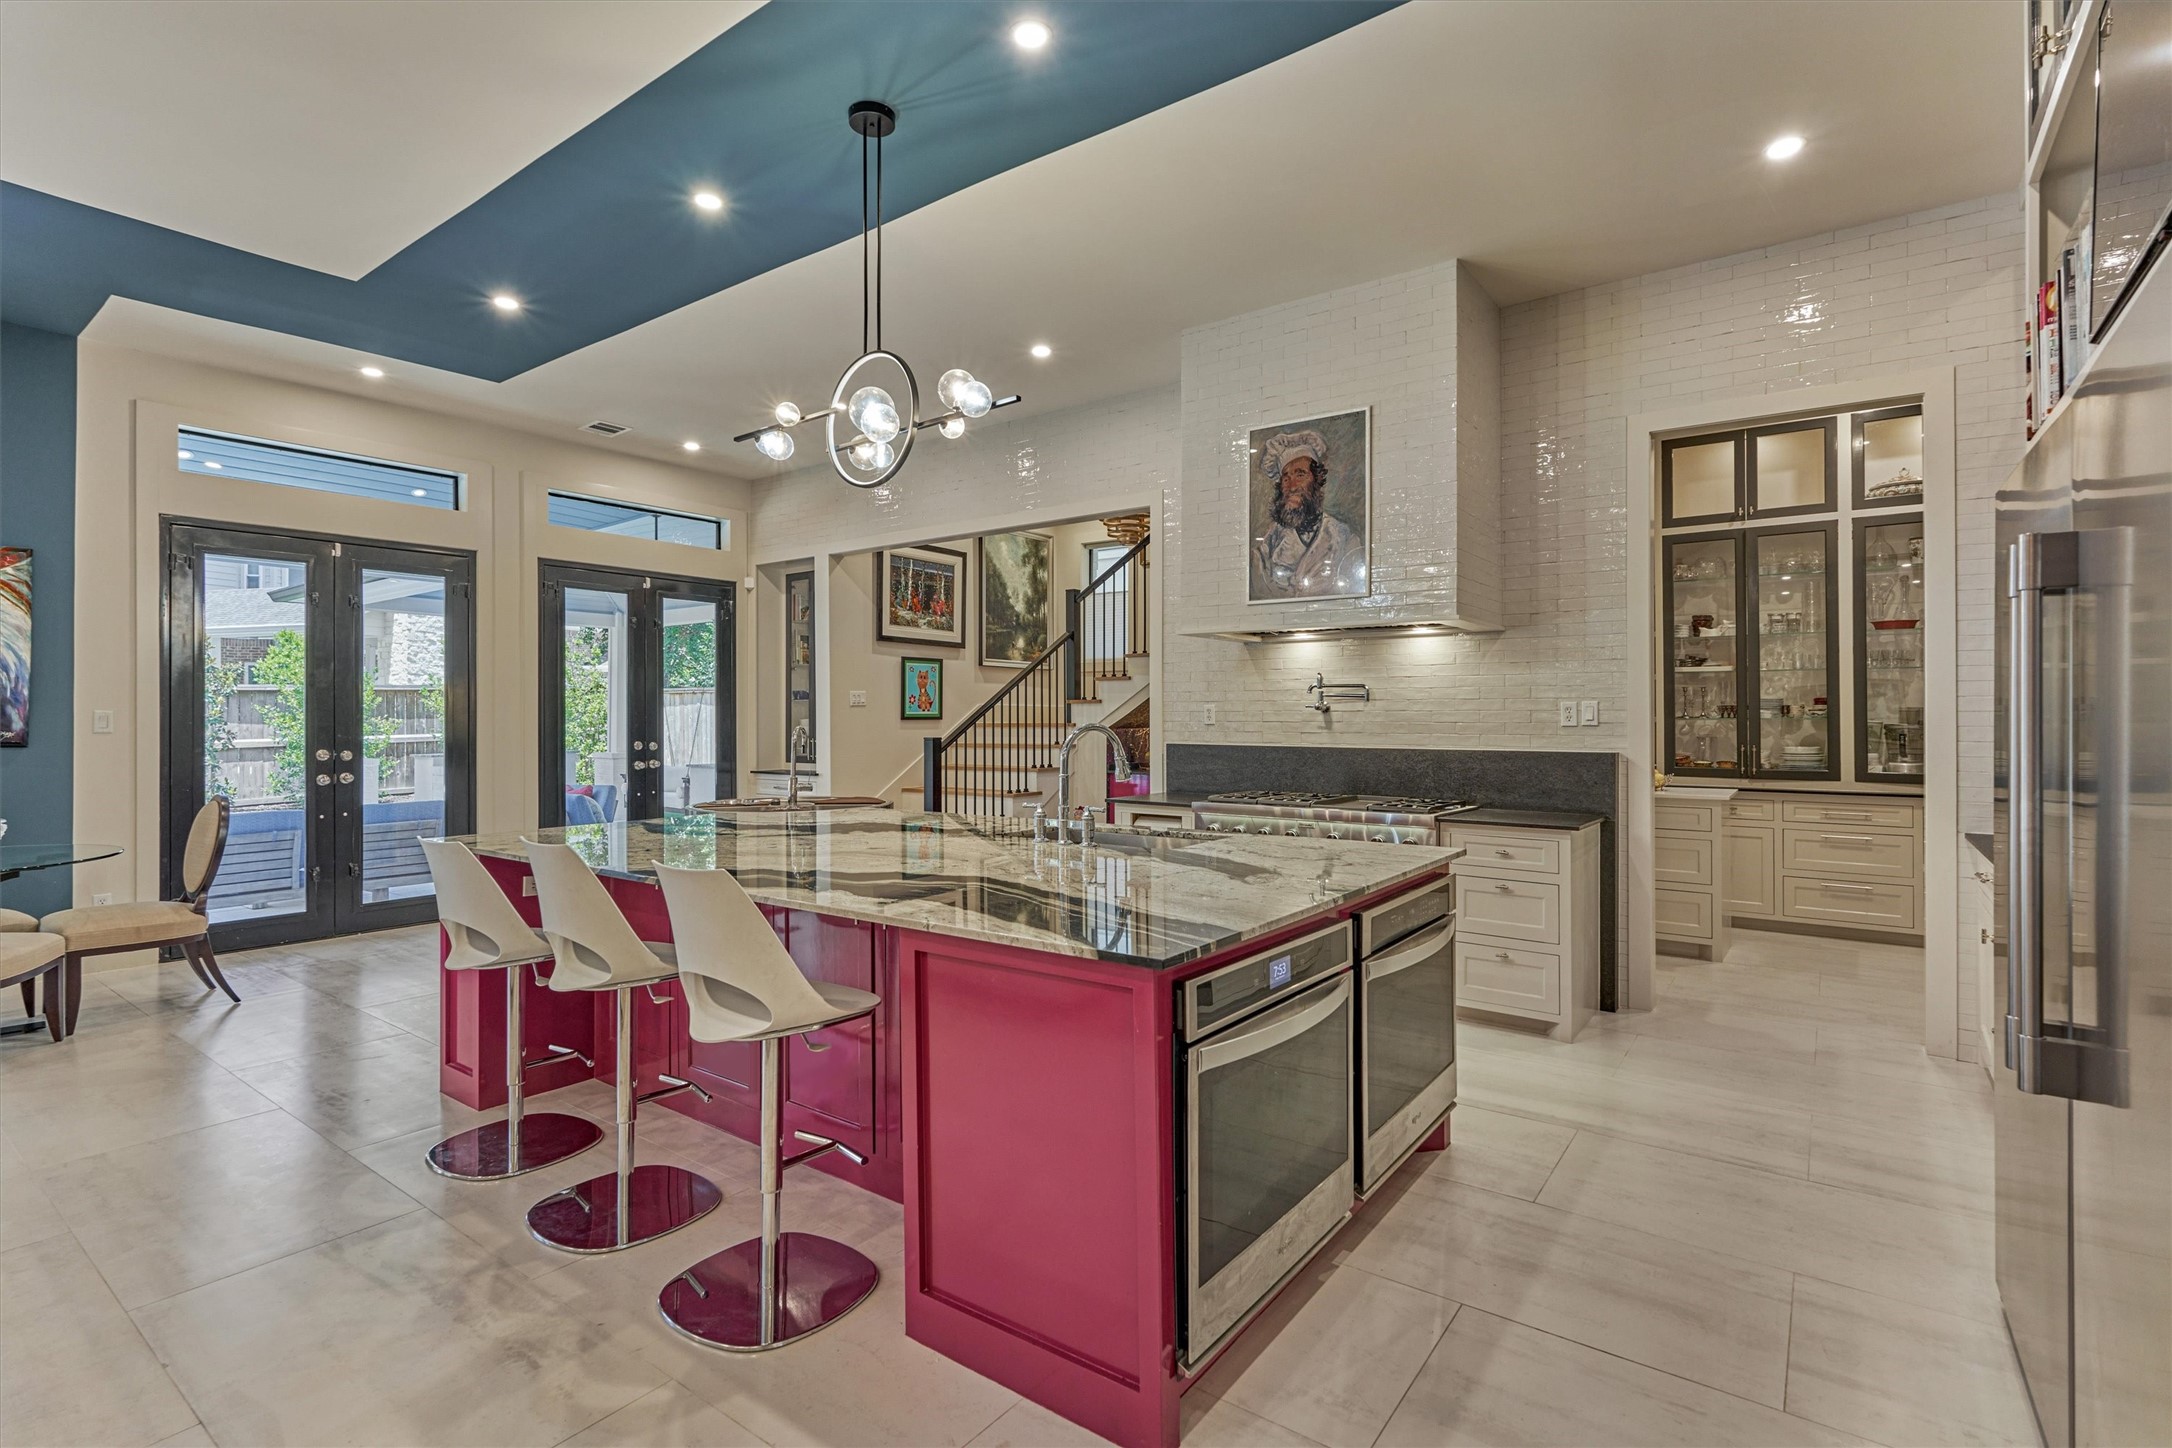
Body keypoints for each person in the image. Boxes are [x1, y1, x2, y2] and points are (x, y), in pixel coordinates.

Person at [1251, 428, 1365, 598]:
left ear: (1317, 480)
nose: (1292, 486)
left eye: (1300, 474)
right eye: (1286, 478)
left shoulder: (1345, 539)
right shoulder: (1268, 545)